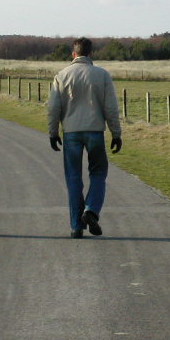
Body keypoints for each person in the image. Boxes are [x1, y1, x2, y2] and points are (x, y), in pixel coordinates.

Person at [47, 37, 122, 239]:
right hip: (95, 130)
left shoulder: (61, 75)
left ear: (73, 54)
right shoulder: (102, 75)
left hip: (71, 131)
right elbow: (111, 108)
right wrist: (116, 133)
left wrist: (53, 131)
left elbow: (53, 107)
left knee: (73, 177)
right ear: (91, 54)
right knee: (98, 172)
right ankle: (91, 210)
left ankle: (76, 226)